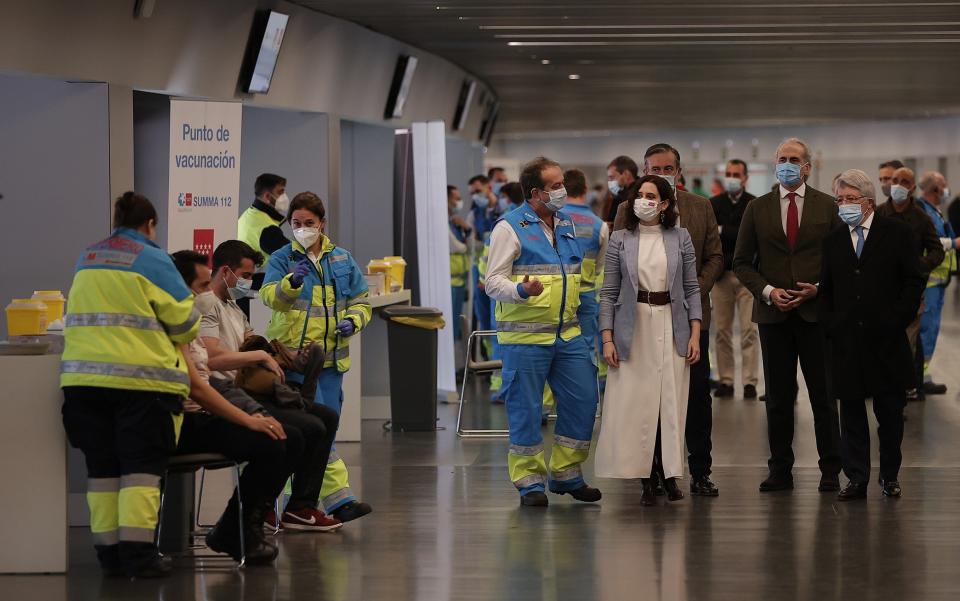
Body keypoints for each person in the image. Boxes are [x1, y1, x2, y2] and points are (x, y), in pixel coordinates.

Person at [60, 192, 202, 578]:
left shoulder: (87, 257)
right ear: (150, 224)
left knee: (102, 471)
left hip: (82, 384)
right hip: (141, 383)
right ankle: (140, 557)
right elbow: (186, 323)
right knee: (140, 471)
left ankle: (109, 557)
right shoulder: (153, 258)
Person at [193, 240, 344, 532]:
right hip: (226, 393)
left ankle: (301, 506)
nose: (249, 281)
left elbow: (251, 344)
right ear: (226, 270)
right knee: (306, 427)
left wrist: (288, 358)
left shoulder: (233, 307)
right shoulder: (207, 304)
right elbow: (210, 357)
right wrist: (259, 355)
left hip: (247, 389)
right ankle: (264, 505)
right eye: (246, 274)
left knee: (326, 416)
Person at [171, 250, 308, 564]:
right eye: (203, 284)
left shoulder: (195, 318)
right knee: (276, 439)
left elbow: (213, 383)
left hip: (207, 408)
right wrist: (249, 420)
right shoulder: (175, 324)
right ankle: (237, 527)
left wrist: (255, 413)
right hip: (182, 421)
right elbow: (200, 389)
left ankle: (244, 523)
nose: (208, 292)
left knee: (292, 434)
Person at [485, 157, 601, 507]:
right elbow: (492, 282)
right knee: (527, 410)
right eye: (555, 185)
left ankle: (566, 474)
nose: (562, 190)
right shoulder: (509, 227)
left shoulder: (565, 222)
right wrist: (521, 290)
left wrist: (590, 327)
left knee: (584, 400)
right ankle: (529, 482)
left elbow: (579, 277)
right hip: (525, 338)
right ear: (536, 193)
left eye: (562, 182)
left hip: (569, 334)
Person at [733, 137, 842, 493]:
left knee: (823, 396)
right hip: (773, 315)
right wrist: (767, 291)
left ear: (807, 166)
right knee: (778, 397)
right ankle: (780, 467)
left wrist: (819, 289)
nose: (787, 164)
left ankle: (830, 468)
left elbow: (841, 261)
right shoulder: (758, 208)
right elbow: (741, 262)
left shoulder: (828, 206)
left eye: (794, 159)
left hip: (815, 314)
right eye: (782, 158)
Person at [613, 143, 723, 497]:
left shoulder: (699, 206)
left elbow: (714, 258)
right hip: (643, 319)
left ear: (678, 170)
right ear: (643, 170)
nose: (661, 174)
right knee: (649, 396)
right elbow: (618, 267)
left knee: (695, 397)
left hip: (689, 319)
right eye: (654, 169)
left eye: (667, 168)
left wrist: (687, 293)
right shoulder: (626, 210)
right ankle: (656, 469)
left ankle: (700, 470)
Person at [261, 192, 375, 522]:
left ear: (322, 224)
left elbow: (361, 301)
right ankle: (337, 501)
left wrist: (353, 321)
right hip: (294, 363)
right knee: (310, 432)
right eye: (296, 223)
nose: (302, 229)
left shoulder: (342, 259)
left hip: (331, 364)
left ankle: (288, 503)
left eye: (308, 223)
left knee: (324, 434)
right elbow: (272, 298)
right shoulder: (282, 258)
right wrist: (291, 282)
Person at [595, 175, 702, 507]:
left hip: (672, 324)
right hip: (633, 325)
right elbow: (609, 292)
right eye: (639, 195)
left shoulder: (680, 237)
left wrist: (696, 333)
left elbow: (692, 288)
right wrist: (608, 338)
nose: (643, 200)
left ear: (665, 204)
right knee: (638, 405)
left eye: (650, 195)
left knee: (669, 404)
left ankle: (669, 473)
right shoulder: (620, 239)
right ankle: (646, 477)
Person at [819, 170, 924, 500]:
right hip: (848, 341)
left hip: (887, 340)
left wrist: (896, 320)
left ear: (868, 202)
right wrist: (832, 322)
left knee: (890, 414)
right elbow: (827, 288)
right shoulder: (834, 239)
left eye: (850, 199)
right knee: (851, 415)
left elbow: (913, 281)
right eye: (840, 199)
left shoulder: (898, 234)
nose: (844, 205)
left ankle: (890, 475)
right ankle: (857, 477)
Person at [876, 167, 944, 400]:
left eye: (905, 182)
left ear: (913, 188)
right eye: (895, 180)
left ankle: (901, 390)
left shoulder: (921, 219)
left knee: (906, 342)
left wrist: (919, 266)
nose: (898, 185)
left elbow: (937, 250)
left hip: (911, 293)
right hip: (881, 290)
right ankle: (885, 387)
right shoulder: (878, 214)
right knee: (881, 340)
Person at [710, 159, 759, 400]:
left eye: (736, 174)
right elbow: (711, 239)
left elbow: (748, 236)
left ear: (745, 177)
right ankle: (726, 379)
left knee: (750, 330)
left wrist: (724, 230)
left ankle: (750, 381)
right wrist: (726, 232)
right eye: (728, 173)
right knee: (722, 331)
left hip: (748, 276)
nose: (731, 177)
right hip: (721, 277)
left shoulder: (754, 204)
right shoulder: (713, 204)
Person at [481, 181, 525, 403]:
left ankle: (500, 387)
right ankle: (505, 387)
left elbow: (487, 257)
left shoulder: (505, 222)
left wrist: (482, 278)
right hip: (518, 293)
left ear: (507, 197)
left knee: (499, 339)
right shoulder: (526, 221)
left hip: (501, 293)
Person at [916, 171, 958, 395]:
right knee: (926, 329)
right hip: (929, 281)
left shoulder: (936, 211)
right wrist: (953, 243)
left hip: (940, 280)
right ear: (934, 189)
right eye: (943, 184)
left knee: (932, 329)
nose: (946, 188)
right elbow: (929, 242)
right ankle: (919, 377)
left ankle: (923, 374)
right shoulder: (923, 211)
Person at [237, 173, 290, 317]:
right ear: (267, 196)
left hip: (243, 293)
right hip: (256, 297)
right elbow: (293, 255)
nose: (284, 196)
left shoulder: (249, 216)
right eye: (280, 192)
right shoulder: (266, 229)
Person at [467, 174, 502, 349]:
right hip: (480, 269)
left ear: (489, 187)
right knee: (483, 314)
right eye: (472, 193)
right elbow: (473, 242)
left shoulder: (504, 210)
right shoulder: (474, 214)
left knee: (500, 313)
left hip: (500, 270)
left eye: (478, 191)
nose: (475, 196)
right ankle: (489, 358)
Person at [448, 185, 471, 339]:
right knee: (450, 324)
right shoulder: (442, 222)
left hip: (459, 280)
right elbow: (458, 247)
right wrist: (467, 237)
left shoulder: (453, 222)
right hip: (449, 282)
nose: (459, 202)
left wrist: (467, 230)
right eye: (456, 198)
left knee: (456, 323)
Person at [604, 155, 639, 223]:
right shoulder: (621, 193)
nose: (610, 181)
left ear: (626, 174)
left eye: (612, 177)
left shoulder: (638, 194)